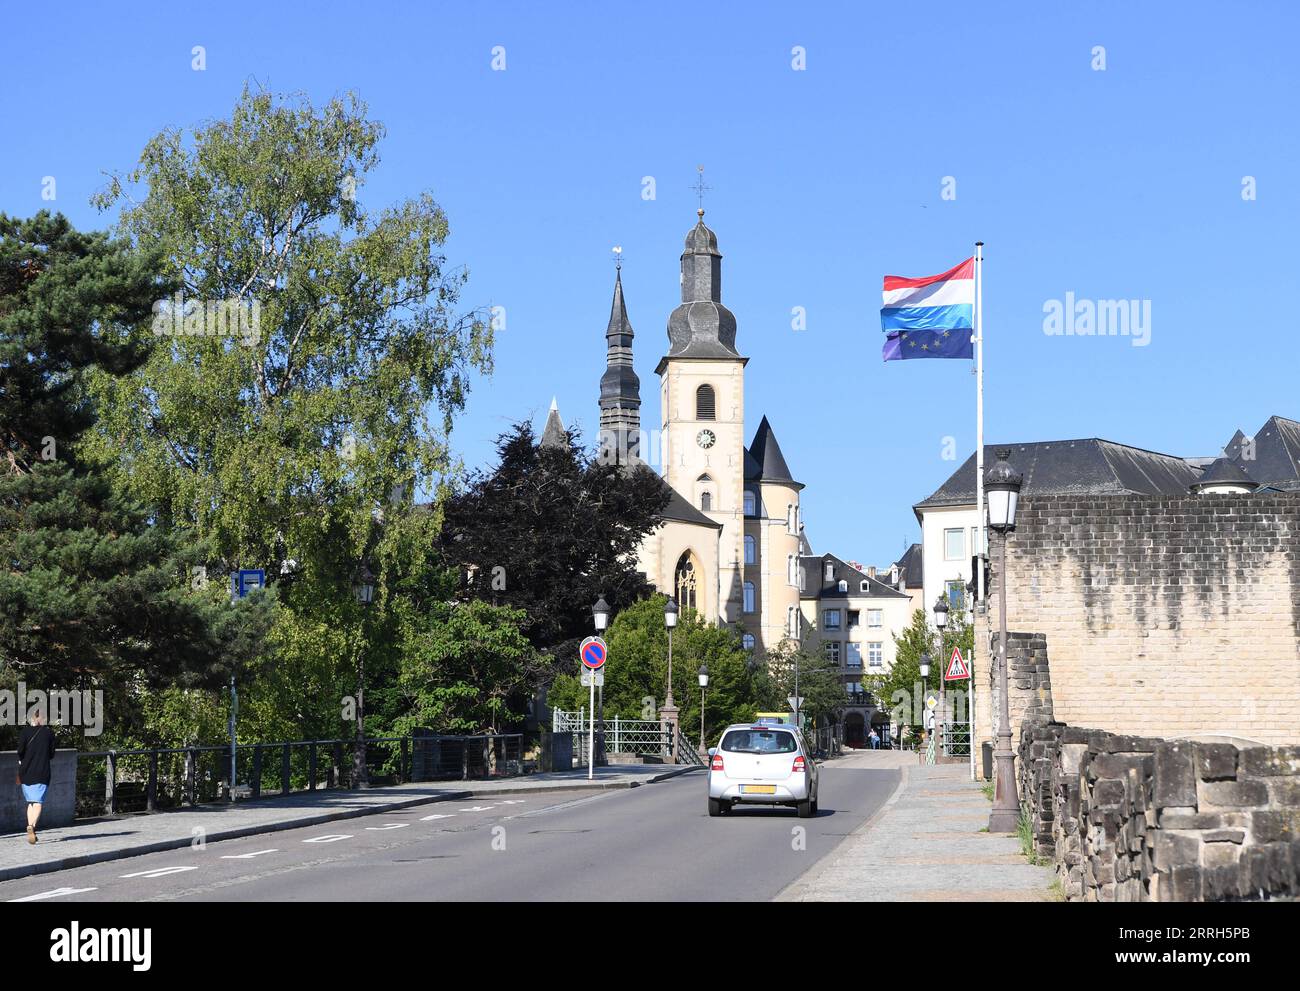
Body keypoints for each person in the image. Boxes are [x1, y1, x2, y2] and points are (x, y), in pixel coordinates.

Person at [16, 709, 57, 845]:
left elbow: (20, 751)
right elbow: (51, 754)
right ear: (44, 719)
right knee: (38, 802)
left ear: (31, 719)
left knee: (31, 802)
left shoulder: (24, 732)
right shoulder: (49, 733)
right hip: (42, 771)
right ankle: (32, 827)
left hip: (25, 772)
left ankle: (29, 826)